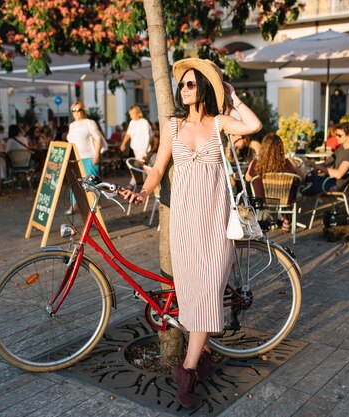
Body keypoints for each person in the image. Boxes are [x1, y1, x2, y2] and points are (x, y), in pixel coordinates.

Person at [121, 58, 262, 409]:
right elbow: (158, 167)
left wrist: (232, 95)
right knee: (193, 292)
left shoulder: (219, 123)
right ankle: (201, 358)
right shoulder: (172, 125)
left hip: (215, 221)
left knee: (211, 288)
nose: (183, 90)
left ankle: (186, 368)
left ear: (202, 87)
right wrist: (143, 191)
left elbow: (254, 125)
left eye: (189, 84)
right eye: (181, 84)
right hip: (184, 221)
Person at [246, 133, 305, 232]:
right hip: (284, 201)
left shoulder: (256, 163)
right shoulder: (288, 163)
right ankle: (286, 217)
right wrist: (292, 162)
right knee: (293, 187)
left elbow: (247, 179)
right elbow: (303, 177)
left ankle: (269, 219)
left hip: (263, 201)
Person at [66, 101, 105, 214]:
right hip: (76, 158)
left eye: (79, 110)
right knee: (75, 182)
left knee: (91, 181)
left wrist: (96, 154)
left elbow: (98, 138)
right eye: (73, 110)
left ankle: (95, 202)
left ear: (83, 110)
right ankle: (74, 205)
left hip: (89, 157)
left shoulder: (90, 122)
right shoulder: (72, 125)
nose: (76, 112)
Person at [301, 122, 349, 195]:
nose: (336, 137)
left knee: (301, 184)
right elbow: (326, 163)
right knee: (300, 179)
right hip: (328, 181)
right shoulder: (341, 149)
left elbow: (338, 174)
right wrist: (314, 167)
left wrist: (316, 166)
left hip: (334, 185)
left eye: (339, 135)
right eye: (336, 135)